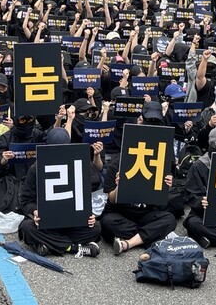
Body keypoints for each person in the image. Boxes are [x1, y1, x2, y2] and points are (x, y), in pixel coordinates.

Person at [100, 102, 177, 256]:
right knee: (107, 223)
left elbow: (159, 196)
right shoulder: (117, 164)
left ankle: (129, 243)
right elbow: (112, 200)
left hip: (146, 212)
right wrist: (119, 187)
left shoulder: (161, 159)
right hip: (122, 212)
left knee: (169, 219)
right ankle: (149, 235)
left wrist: (167, 185)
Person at [17, 127, 103, 258]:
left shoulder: (78, 163)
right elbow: (26, 201)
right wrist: (35, 212)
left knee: (96, 227)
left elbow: (94, 186)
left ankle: (48, 245)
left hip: (73, 222)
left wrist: (88, 214)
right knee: (27, 227)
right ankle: (74, 248)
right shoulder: (36, 168)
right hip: (47, 222)